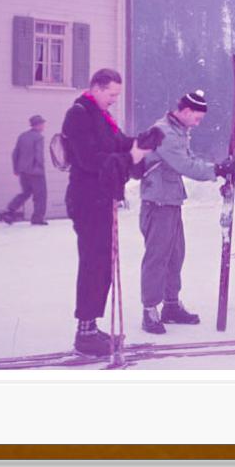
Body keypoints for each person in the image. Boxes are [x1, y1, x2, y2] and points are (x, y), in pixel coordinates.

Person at [62, 68, 158, 357]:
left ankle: (90, 326)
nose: (115, 99)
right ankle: (84, 332)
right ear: (97, 88)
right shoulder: (79, 114)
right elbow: (91, 160)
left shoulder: (100, 115)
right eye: (112, 94)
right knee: (93, 262)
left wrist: (141, 142)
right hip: (87, 200)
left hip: (101, 200)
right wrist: (130, 157)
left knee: (102, 263)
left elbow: (118, 142)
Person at [137, 89, 235, 334]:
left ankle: (170, 305)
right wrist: (216, 170)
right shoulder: (164, 133)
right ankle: (149, 309)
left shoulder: (178, 131)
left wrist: (218, 167)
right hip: (157, 203)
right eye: (196, 118)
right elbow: (185, 165)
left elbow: (189, 158)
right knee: (157, 258)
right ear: (185, 111)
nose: (198, 122)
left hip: (170, 201)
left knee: (175, 256)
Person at [3, 114, 49, 225]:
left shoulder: (22, 136)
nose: (44, 126)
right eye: (42, 124)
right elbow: (39, 155)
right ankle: (37, 218)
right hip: (36, 172)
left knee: (26, 192)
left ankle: (10, 211)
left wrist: (16, 169)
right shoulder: (39, 137)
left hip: (23, 171)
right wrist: (41, 167)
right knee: (41, 195)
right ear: (37, 125)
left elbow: (15, 153)